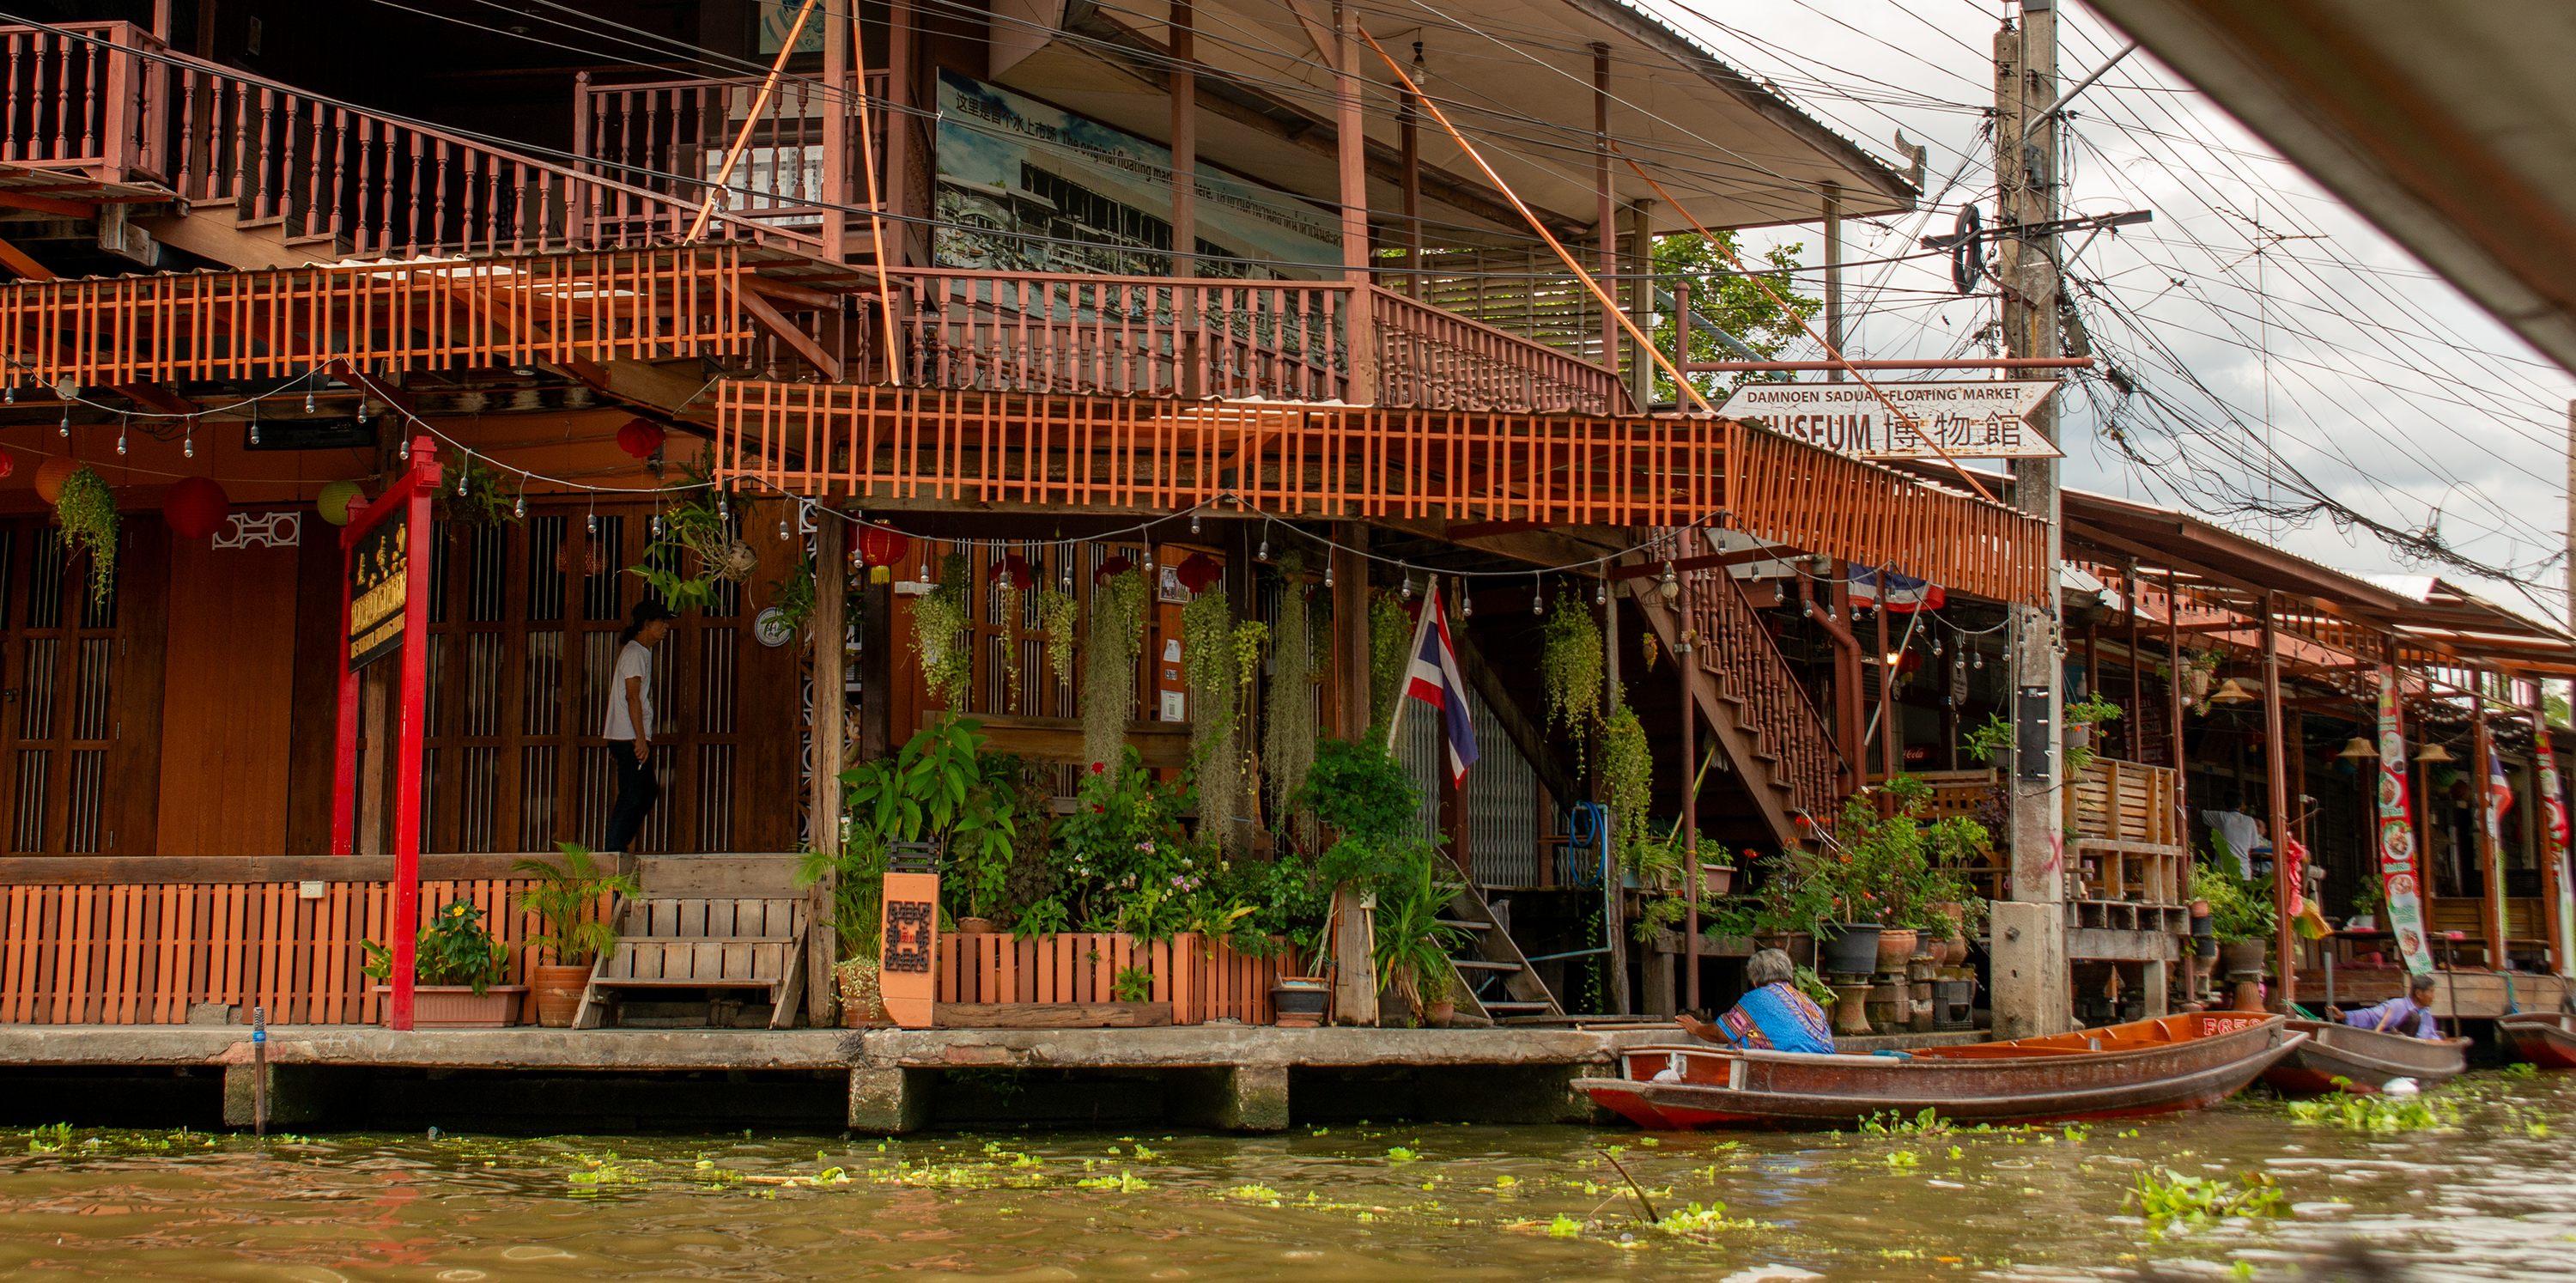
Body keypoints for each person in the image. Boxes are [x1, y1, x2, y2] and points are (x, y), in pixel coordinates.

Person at [602, 600, 678, 854]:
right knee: (633, 794)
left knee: (646, 793)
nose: (667, 627)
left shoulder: (642, 652)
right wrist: (641, 739)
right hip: (627, 736)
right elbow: (632, 696)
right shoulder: (635, 653)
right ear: (647, 624)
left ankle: (619, 845)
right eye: (662, 622)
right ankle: (614, 849)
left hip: (631, 735)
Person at [1679, 948, 1835, 1054]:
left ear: (1754, 980)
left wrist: (1697, 1028)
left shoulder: (1759, 997)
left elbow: (1722, 1034)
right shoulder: (1807, 1000)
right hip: (1823, 1067)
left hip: (1789, 1068)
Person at [2326, 973, 2443, 1040]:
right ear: (2418, 993)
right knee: (2414, 1018)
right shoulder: (2396, 1005)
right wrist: (2344, 1015)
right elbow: (2371, 1015)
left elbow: (2430, 1034)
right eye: (2431, 992)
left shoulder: (2426, 1012)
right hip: (2396, 1049)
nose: (2433, 997)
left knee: (2441, 1035)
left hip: (2420, 1049)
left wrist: (2443, 1044)